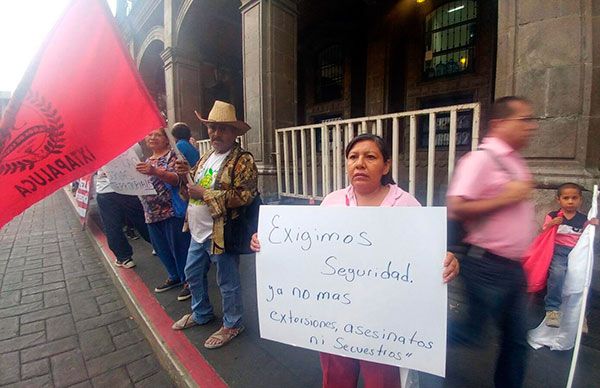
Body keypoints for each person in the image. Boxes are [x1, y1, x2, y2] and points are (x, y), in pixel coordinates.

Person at [251, 133, 459, 388]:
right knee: (336, 379)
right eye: (353, 157)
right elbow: (308, 252)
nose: (360, 163)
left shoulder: (406, 205)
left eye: (370, 157)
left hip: (384, 326)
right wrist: (269, 243)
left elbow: (428, 256)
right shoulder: (332, 201)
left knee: (381, 382)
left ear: (386, 166)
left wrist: (448, 261)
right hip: (334, 320)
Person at [447, 96, 538, 388]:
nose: (531, 127)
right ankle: (413, 338)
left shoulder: (514, 160)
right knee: (473, 334)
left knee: (516, 340)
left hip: (513, 267)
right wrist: (506, 198)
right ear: (500, 123)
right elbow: (456, 206)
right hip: (486, 265)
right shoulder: (481, 159)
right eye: (524, 120)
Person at [172, 101, 258, 350]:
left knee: (227, 281)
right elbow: (189, 192)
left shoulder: (243, 160)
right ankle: (202, 313)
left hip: (221, 232)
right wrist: (183, 176)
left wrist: (205, 193)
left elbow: (245, 195)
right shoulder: (207, 156)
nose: (216, 134)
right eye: (212, 128)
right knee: (192, 273)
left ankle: (233, 323)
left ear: (234, 133)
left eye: (222, 129)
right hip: (198, 230)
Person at [136, 128, 191, 300]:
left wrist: (155, 171)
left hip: (171, 210)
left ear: (167, 139)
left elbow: (176, 179)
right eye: (149, 134)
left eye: (157, 135)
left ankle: (188, 280)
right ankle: (174, 276)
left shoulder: (173, 156)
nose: (152, 137)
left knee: (179, 248)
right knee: (161, 248)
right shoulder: (147, 160)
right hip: (151, 213)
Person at [542, 182, 598, 329]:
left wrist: (593, 224)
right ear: (558, 199)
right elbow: (544, 233)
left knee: (583, 279)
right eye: (566, 198)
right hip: (559, 251)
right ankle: (552, 309)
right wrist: (552, 224)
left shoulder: (583, 219)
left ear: (580, 199)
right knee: (557, 273)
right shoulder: (553, 215)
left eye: (574, 198)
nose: (570, 201)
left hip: (576, 252)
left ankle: (581, 314)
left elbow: (587, 235)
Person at [95, 161, 151, 268]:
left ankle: (124, 257)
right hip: (128, 187)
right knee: (141, 219)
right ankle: (159, 245)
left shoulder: (96, 151)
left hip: (106, 191)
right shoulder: (127, 146)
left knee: (112, 226)